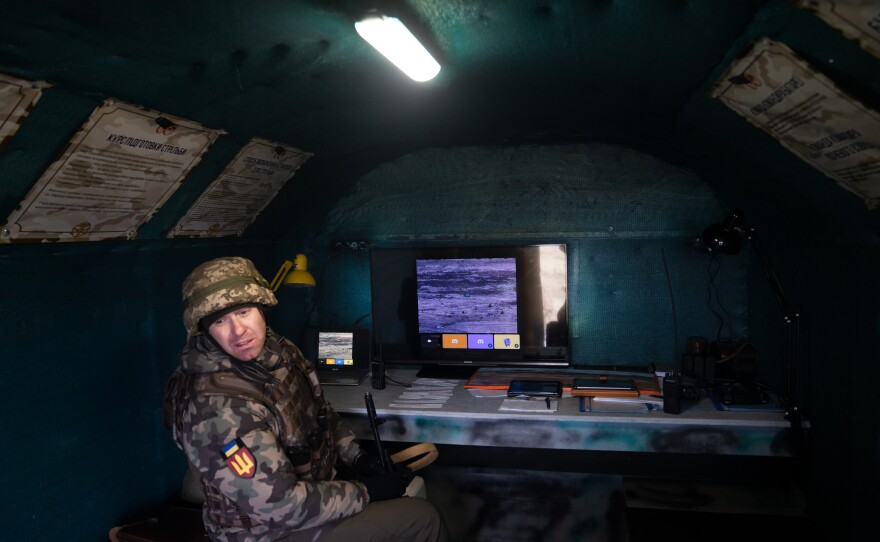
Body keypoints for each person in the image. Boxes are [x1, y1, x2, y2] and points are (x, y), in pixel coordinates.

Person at [164, 256, 449, 542]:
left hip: (310, 499)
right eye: (220, 321)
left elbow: (321, 416)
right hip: (266, 533)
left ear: (262, 309)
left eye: (244, 312)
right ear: (205, 331)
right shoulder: (217, 408)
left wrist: (361, 459)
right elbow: (279, 506)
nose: (239, 331)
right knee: (422, 519)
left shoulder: (280, 353)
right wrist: (367, 491)